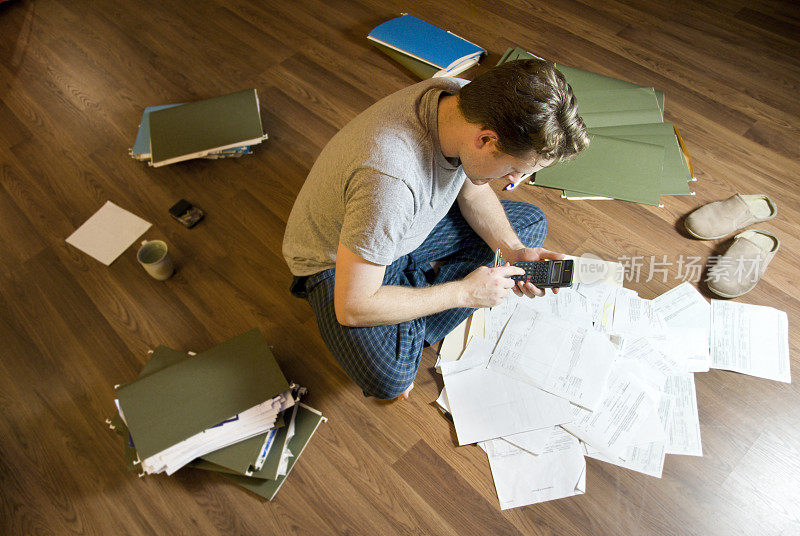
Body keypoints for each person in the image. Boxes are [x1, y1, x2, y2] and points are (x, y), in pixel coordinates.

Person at [283, 59, 589, 400]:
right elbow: (352, 306)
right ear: (486, 140)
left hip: (397, 228)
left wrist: (515, 251)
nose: (515, 181)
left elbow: (471, 187)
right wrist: (464, 294)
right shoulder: (389, 182)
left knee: (530, 226)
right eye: (516, 169)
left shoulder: (463, 102)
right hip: (337, 262)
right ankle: (411, 302)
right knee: (392, 378)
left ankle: (407, 304)